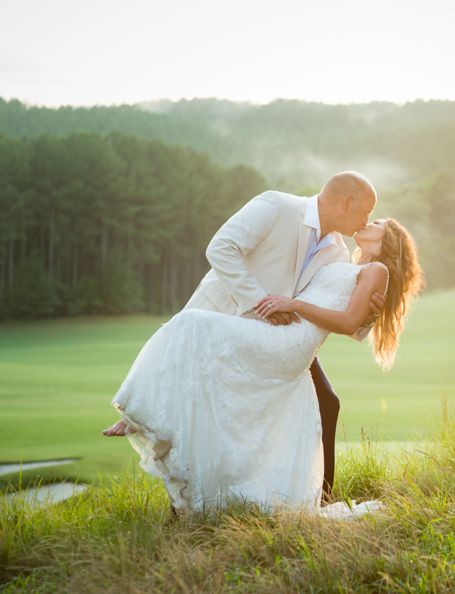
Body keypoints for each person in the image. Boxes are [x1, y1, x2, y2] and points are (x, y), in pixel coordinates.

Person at [103, 218, 423, 515]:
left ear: (389, 238)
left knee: (189, 324)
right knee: (192, 335)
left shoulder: (378, 270)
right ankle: (150, 420)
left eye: (378, 221)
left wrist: (306, 306)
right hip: (283, 329)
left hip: (293, 342)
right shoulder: (347, 262)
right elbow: (337, 305)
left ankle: (142, 415)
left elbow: (349, 321)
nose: (370, 221)